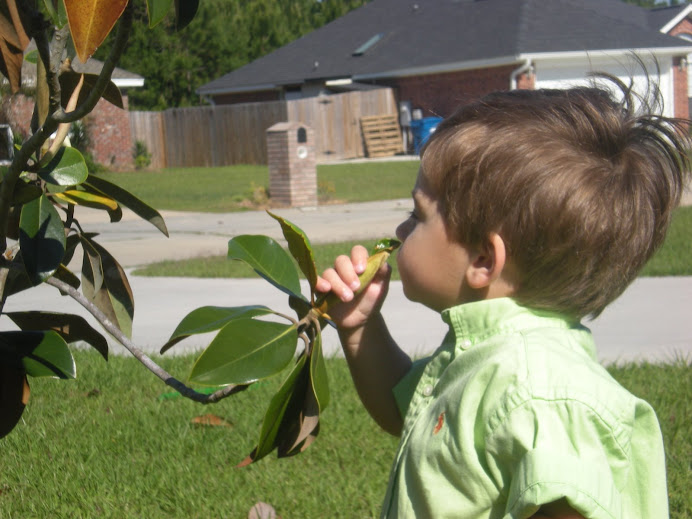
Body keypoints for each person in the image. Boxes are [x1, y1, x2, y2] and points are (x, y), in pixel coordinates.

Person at [315, 74, 690, 519]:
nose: (399, 232)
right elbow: (404, 413)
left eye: (416, 215)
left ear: (483, 259)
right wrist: (360, 327)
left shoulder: (538, 393)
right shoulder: (484, 355)